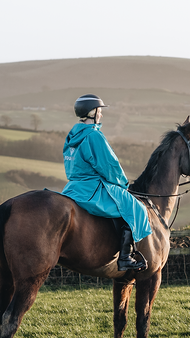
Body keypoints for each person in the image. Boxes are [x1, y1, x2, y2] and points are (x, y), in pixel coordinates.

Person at [60, 94, 152, 271]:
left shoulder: (71, 136)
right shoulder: (94, 136)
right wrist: (123, 184)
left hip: (72, 188)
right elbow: (109, 167)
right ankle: (125, 258)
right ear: (92, 112)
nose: (101, 115)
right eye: (99, 111)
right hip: (93, 188)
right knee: (136, 208)